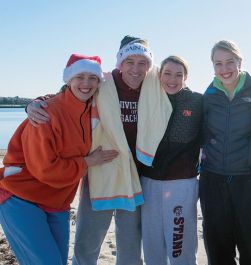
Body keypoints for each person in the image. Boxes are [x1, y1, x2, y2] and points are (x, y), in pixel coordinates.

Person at [26, 35, 154, 265]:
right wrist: (34, 103)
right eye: (129, 61)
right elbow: (66, 95)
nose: (135, 69)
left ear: (148, 63)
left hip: (136, 175)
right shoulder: (102, 83)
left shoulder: (153, 86)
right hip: (100, 170)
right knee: (87, 244)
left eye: (142, 62)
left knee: (131, 246)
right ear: (120, 61)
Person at [0, 54, 119, 265]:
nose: (86, 83)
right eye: (79, 77)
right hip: (22, 197)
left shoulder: (93, 109)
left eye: (92, 78)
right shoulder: (45, 113)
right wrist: (88, 162)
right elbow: (44, 169)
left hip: (59, 201)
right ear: (68, 80)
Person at [200, 40, 251, 265]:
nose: (224, 69)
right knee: (218, 250)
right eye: (218, 63)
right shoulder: (207, 96)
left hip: (248, 180)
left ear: (240, 62)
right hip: (213, 179)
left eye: (230, 62)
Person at [140, 56, 202, 265]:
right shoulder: (149, 97)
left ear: (186, 77)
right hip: (148, 181)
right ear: (159, 75)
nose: (172, 80)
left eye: (179, 75)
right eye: (167, 73)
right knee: (152, 244)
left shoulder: (197, 101)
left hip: (181, 183)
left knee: (179, 244)